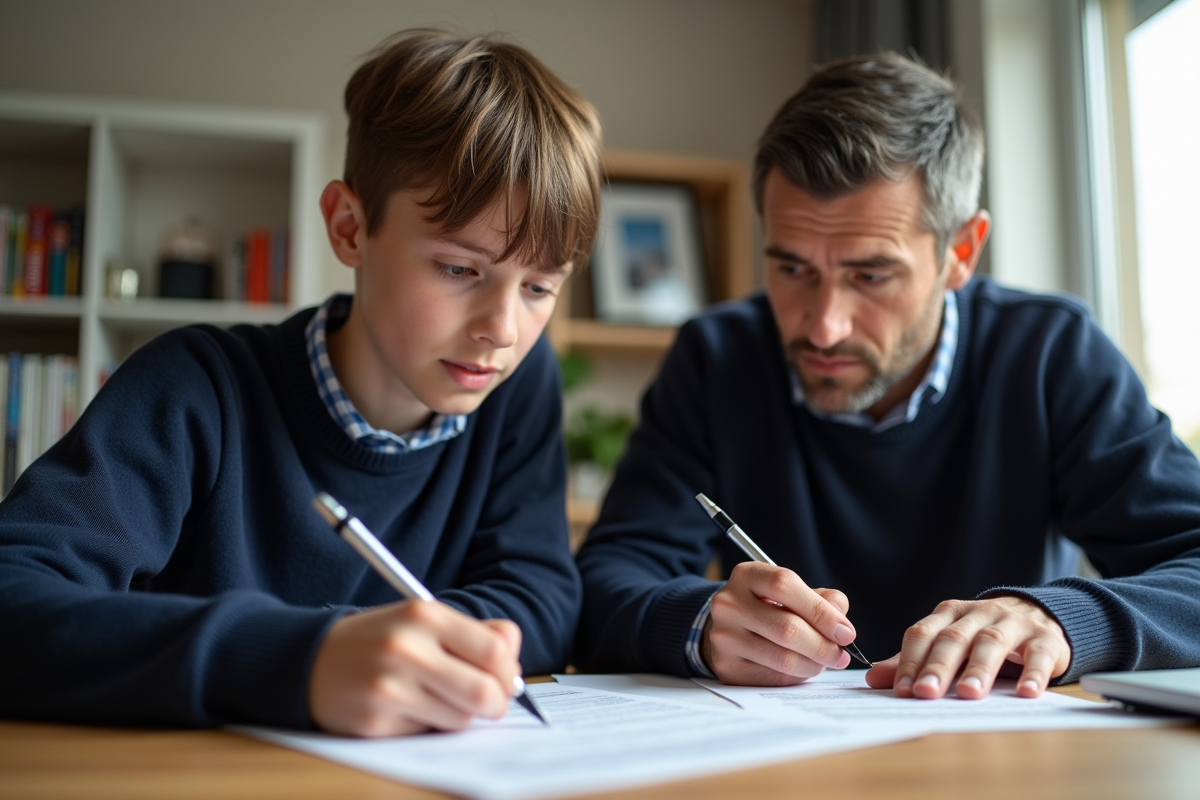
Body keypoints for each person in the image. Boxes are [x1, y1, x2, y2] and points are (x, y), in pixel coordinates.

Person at [0, 29, 602, 736]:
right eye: (459, 269)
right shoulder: (195, 387)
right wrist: (302, 658)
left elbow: (542, 598)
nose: (502, 330)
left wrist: (398, 651)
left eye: (539, 287)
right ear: (349, 228)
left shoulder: (516, 387)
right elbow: (14, 598)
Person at [573, 52, 1200, 700]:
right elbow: (603, 582)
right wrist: (700, 624)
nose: (824, 326)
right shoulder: (716, 358)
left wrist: (1060, 620)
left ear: (961, 252)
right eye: (792, 269)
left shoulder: (1049, 354)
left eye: (870, 275)